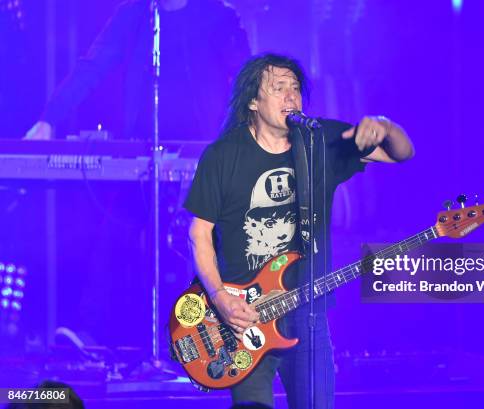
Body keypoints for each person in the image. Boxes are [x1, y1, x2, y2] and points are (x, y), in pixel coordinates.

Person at [184, 53, 414, 408]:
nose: (291, 97)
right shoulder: (223, 155)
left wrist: (384, 126)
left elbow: (402, 154)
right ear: (253, 102)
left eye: (296, 88)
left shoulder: (320, 141)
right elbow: (199, 234)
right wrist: (219, 297)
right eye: (279, 88)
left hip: (309, 316)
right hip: (245, 321)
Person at [25, 0, 250, 141]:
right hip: (142, 147)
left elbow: (246, 78)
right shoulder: (133, 15)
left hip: (204, 146)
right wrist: (49, 119)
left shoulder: (218, 17)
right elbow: (92, 68)